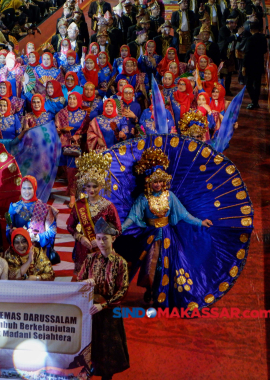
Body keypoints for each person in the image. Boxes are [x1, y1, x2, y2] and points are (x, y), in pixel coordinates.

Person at [120, 148, 212, 305]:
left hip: (168, 237)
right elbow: (133, 217)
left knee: (166, 265)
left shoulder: (170, 197)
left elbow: (184, 214)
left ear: (165, 181)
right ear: (149, 182)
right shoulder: (143, 198)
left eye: (160, 181)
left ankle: (162, 294)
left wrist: (200, 222)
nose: (158, 184)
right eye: (155, 181)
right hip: (150, 237)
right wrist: (120, 229)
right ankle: (151, 291)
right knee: (151, 266)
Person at [77, 218, 129, 380]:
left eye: (104, 239)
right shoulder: (90, 259)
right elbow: (79, 281)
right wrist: (84, 283)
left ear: (112, 239)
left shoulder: (120, 263)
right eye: (98, 238)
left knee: (109, 348)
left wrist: (104, 305)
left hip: (110, 311)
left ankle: (107, 375)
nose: (100, 242)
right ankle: (90, 368)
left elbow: (123, 290)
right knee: (92, 344)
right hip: (91, 310)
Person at [67, 151, 122, 275]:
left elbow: (118, 230)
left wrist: (101, 240)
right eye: (88, 186)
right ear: (84, 187)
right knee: (84, 281)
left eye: (95, 186)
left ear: (101, 186)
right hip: (83, 248)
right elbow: (70, 226)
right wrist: (80, 238)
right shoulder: (79, 205)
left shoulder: (108, 206)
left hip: (102, 248)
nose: (91, 190)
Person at [6, 176, 58, 257]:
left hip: (37, 252)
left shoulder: (44, 208)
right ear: (20, 189)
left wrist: (38, 237)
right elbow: (8, 229)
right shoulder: (14, 207)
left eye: (30, 188)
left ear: (35, 188)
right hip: (19, 251)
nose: (26, 192)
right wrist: (12, 232)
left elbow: (52, 232)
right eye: (24, 188)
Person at [243, 21, 268, 109]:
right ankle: (255, 102)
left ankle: (254, 101)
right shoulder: (263, 38)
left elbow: (247, 53)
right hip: (259, 63)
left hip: (250, 65)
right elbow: (265, 50)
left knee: (249, 84)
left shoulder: (250, 39)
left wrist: (244, 66)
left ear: (251, 29)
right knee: (257, 84)